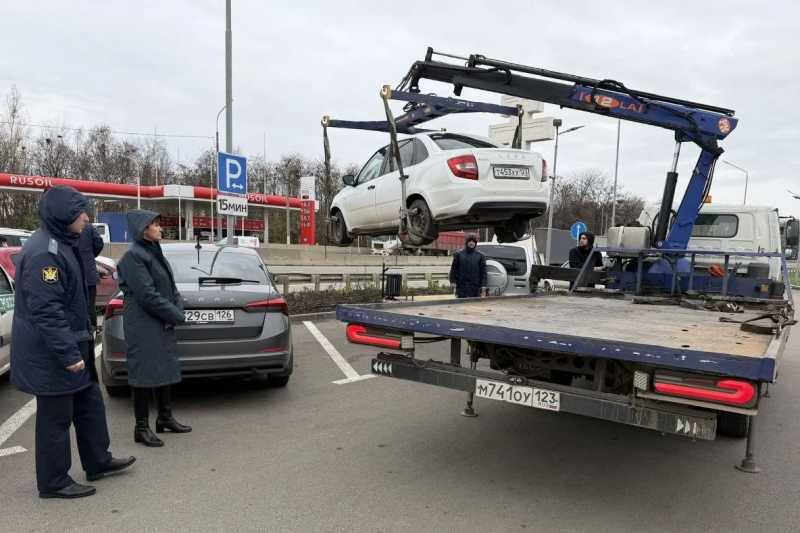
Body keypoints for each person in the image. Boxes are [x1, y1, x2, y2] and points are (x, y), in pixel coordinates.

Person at [11, 186, 135, 500]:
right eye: (81, 213)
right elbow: (46, 310)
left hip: (74, 340)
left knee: (88, 403)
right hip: (52, 351)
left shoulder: (66, 242)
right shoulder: (45, 252)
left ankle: (98, 461)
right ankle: (53, 481)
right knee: (55, 417)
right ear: (64, 216)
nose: (86, 218)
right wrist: (67, 352)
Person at [117, 209, 190, 448]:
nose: (160, 228)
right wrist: (176, 314)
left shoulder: (154, 251)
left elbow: (170, 287)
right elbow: (147, 295)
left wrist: (177, 308)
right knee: (143, 372)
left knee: (164, 368)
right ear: (143, 228)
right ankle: (141, 427)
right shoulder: (133, 256)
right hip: (143, 324)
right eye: (156, 224)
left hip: (160, 320)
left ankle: (165, 418)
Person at [78, 223, 104, 327]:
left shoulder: (66, 224)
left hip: (75, 274)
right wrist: (90, 255)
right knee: (90, 306)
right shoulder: (88, 227)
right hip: (89, 273)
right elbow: (99, 243)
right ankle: (92, 330)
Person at [449, 234, 487, 298]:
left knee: (473, 306)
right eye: (470, 241)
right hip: (461, 286)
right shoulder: (459, 254)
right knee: (461, 305)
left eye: (473, 241)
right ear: (466, 242)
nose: (471, 243)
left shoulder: (480, 256)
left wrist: (484, 285)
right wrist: (452, 281)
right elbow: (453, 269)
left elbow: (483, 272)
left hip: (475, 287)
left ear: (475, 243)